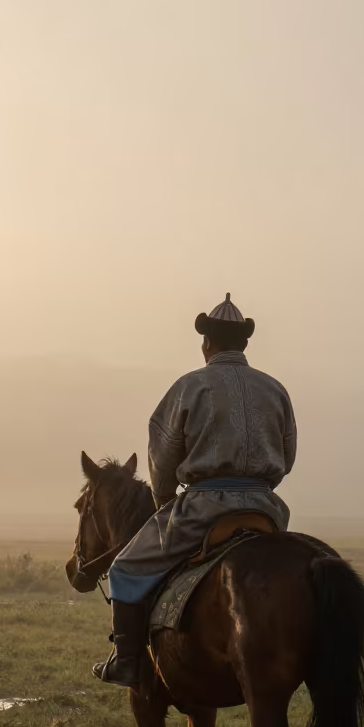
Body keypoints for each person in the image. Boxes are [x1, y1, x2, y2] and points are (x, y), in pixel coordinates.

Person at [95, 294, 297, 687]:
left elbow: (161, 458)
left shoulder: (189, 387)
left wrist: (165, 501)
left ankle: (127, 661)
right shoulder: (276, 390)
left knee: (124, 567)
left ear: (207, 343)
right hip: (266, 508)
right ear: (245, 344)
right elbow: (287, 457)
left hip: (204, 507)